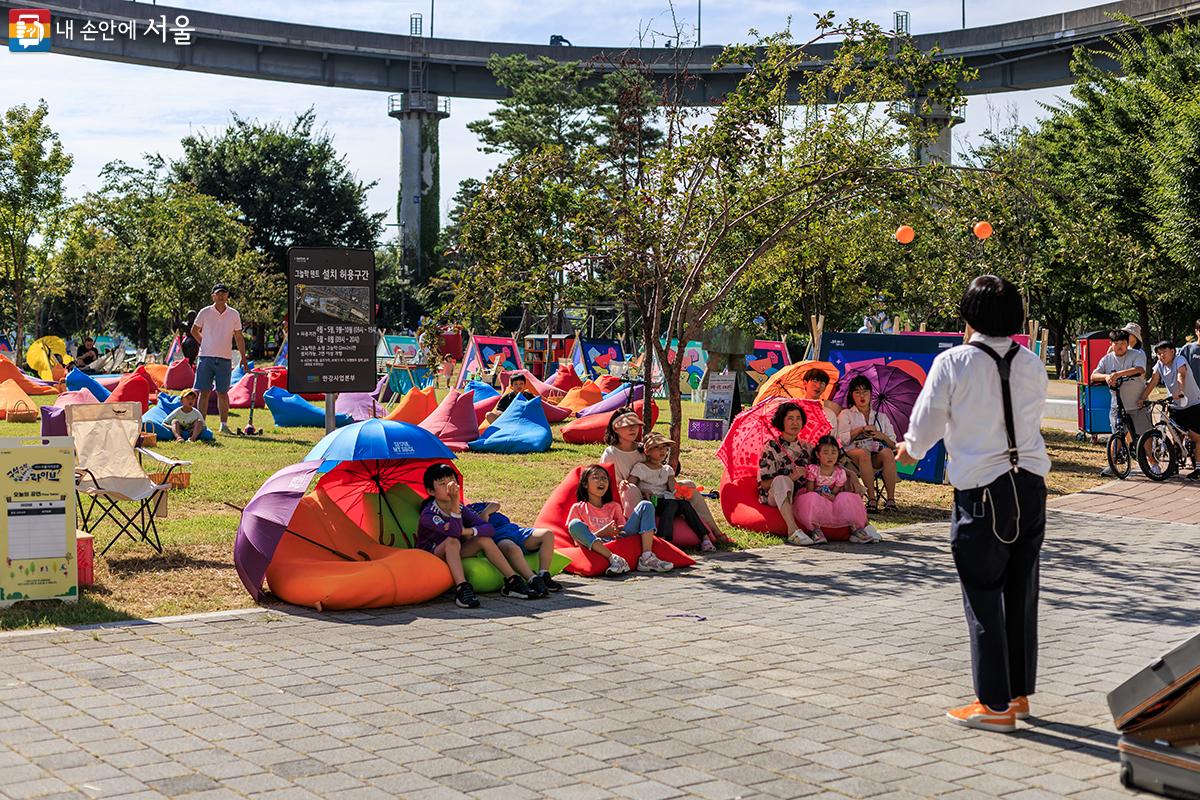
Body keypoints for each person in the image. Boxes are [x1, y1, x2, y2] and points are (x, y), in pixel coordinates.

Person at [898, 274, 1050, 733]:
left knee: (983, 594)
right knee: (1022, 592)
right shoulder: (1032, 362)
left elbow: (926, 421)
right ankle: (1018, 694)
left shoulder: (955, 362)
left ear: (968, 316)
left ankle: (994, 705)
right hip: (1031, 486)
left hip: (983, 492)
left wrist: (909, 450)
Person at [417, 463, 542, 608]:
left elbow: (488, 528)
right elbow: (453, 533)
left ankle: (512, 581)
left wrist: (468, 531)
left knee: (483, 539)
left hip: (455, 551)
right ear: (431, 491)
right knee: (452, 541)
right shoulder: (429, 513)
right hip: (432, 554)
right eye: (442, 484)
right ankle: (462, 588)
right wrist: (455, 504)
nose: (449, 487)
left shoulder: (461, 508)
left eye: (452, 482)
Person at [566, 464, 674, 574]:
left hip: (618, 540)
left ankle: (646, 558)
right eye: (596, 477)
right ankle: (614, 559)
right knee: (574, 524)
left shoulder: (614, 506)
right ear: (585, 484)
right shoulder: (578, 508)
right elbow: (577, 539)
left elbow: (623, 530)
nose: (601, 481)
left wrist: (616, 530)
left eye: (604, 478)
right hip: (598, 544)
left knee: (646, 505)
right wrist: (602, 533)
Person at [630, 432, 718, 552]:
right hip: (652, 502)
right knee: (671, 503)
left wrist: (680, 493)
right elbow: (630, 484)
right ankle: (663, 538)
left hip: (668, 501)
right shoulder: (640, 467)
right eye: (657, 447)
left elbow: (673, 486)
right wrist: (642, 490)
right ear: (647, 451)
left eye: (664, 447)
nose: (662, 450)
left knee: (684, 504)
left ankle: (705, 538)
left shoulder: (667, 469)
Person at [465, 500, 562, 596]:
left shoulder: (475, 506)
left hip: (515, 530)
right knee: (513, 549)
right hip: (498, 537)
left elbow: (496, 504)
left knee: (547, 534)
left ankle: (543, 574)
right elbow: (468, 537)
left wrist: (485, 513)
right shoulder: (462, 515)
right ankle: (533, 579)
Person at [794, 436, 878, 543]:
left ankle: (855, 529)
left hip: (831, 500)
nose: (830, 456)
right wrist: (820, 495)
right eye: (826, 452)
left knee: (848, 497)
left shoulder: (839, 473)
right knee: (811, 498)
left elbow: (835, 491)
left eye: (834, 452)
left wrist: (832, 496)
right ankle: (815, 530)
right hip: (816, 497)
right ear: (817, 454)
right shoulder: (814, 469)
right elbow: (810, 490)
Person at [1090, 329, 1150, 477]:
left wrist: (1118, 374)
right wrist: (1106, 377)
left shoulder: (1137, 354)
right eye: (1116, 343)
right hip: (1117, 404)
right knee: (1116, 434)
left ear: (1128, 343)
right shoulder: (1107, 359)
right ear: (1111, 344)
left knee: (1145, 434)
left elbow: (1140, 369)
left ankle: (1153, 463)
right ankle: (1113, 465)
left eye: (1123, 343)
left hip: (1137, 403)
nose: (1120, 346)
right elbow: (1093, 375)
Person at [838, 376, 900, 513]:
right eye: (857, 392)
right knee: (863, 453)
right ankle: (871, 500)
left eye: (865, 392)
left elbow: (893, 444)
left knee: (887, 452)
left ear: (871, 394)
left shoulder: (881, 417)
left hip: (875, 456)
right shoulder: (846, 414)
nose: (862, 396)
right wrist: (860, 430)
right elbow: (842, 440)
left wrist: (881, 436)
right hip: (852, 457)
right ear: (851, 395)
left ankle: (891, 500)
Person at [1139, 341, 1200, 479]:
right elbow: (1153, 381)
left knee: (1196, 437)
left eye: (1164, 352)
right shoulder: (1160, 365)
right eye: (1159, 353)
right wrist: (1142, 398)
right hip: (1175, 405)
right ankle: (1173, 466)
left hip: (1192, 402)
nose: (1161, 355)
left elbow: (1181, 375)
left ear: (1172, 351)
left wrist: (1181, 391)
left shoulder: (1180, 360)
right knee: (1175, 435)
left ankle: (1198, 468)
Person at [191, 285, 248, 435]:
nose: (221, 296)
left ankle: (223, 425)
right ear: (213, 296)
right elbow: (194, 330)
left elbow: (239, 337)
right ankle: (201, 424)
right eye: (218, 294)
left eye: (224, 293)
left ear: (227, 295)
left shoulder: (234, 314)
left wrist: (244, 357)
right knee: (204, 392)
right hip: (206, 357)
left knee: (223, 392)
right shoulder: (205, 312)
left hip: (225, 358)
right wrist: (204, 342)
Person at [757, 401, 814, 545]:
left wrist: (851, 475)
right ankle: (792, 530)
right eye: (790, 418)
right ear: (781, 421)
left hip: (799, 494)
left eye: (798, 418)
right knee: (782, 480)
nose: (795, 423)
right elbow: (764, 484)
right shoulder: (771, 447)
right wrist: (791, 477)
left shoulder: (807, 447)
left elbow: (828, 464)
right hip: (775, 494)